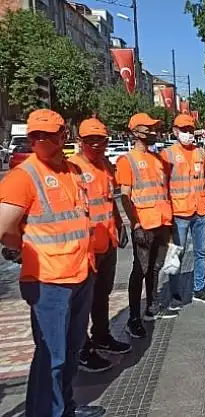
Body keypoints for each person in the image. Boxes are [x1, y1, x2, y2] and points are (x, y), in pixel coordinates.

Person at [0, 109, 104, 417]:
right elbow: (4, 228)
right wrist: (23, 248)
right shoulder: (24, 176)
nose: (41, 140)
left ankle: (65, 407)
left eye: (47, 135)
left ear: (63, 136)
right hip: (48, 282)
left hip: (80, 273)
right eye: (35, 136)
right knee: (51, 357)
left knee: (71, 351)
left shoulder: (73, 172)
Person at [69, 118, 131, 373]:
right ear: (80, 141)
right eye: (90, 140)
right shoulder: (72, 168)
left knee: (102, 295)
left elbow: (109, 200)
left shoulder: (105, 165)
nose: (96, 144)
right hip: (86, 247)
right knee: (82, 301)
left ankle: (102, 336)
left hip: (107, 242)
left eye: (101, 140)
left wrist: (120, 223)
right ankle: (82, 349)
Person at [116, 113, 174, 338]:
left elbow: (164, 191)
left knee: (155, 267)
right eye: (147, 128)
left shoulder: (157, 159)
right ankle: (133, 318)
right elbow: (125, 196)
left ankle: (151, 306)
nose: (152, 132)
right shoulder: (127, 161)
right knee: (140, 270)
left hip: (162, 221)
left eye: (153, 128)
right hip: (144, 224)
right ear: (135, 132)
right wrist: (135, 223)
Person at [162, 114, 205, 306]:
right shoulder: (167, 155)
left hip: (200, 210)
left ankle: (199, 289)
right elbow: (163, 185)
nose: (188, 133)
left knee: (201, 252)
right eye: (184, 130)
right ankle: (174, 293)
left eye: (190, 130)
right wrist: (166, 213)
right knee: (175, 253)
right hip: (179, 213)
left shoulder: (201, 153)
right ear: (175, 131)